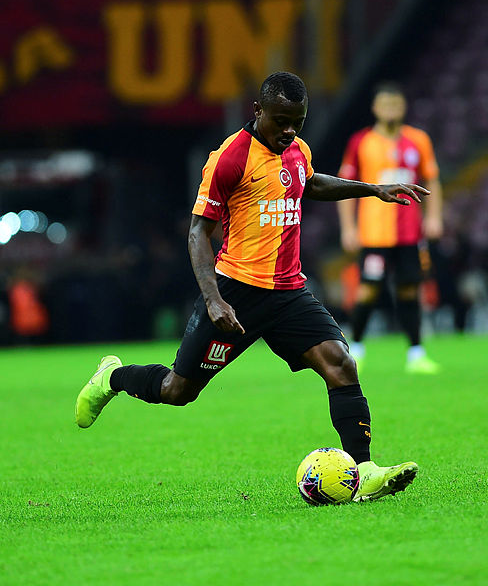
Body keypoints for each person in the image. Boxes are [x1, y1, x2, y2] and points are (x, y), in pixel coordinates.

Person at [76, 72, 429, 502]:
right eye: (281, 121)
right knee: (177, 390)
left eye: (297, 122)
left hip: (289, 293)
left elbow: (310, 182)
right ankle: (112, 377)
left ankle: (366, 470)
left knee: (341, 363)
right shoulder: (230, 157)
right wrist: (213, 300)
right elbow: (197, 232)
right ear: (258, 110)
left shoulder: (297, 149)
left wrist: (372, 189)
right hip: (236, 294)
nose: (290, 131)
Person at [337, 82, 443, 374]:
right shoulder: (361, 142)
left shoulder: (418, 140)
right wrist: (348, 228)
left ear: (403, 107)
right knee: (367, 290)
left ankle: (416, 354)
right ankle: (356, 349)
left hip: (410, 233)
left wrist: (434, 217)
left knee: (409, 290)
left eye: (396, 104)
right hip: (374, 233)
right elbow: (345, 185)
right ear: (375, 108)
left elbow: (432, 179)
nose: (391, 110)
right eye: (386, 104)